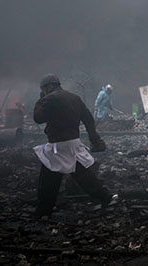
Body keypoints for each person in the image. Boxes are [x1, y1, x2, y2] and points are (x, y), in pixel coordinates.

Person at [32, 74, 116, 219]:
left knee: (48, 180)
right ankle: (106, 198)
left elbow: (37, 118)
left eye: (43, 89)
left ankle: (43, 211)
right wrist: (93, 137)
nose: (43, 92)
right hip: (73, 143)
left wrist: (41, 100)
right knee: (83, 175)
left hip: (57, 146)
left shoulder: (50, 98)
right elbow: (88, 118)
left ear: (49, 86)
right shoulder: (74, 98)